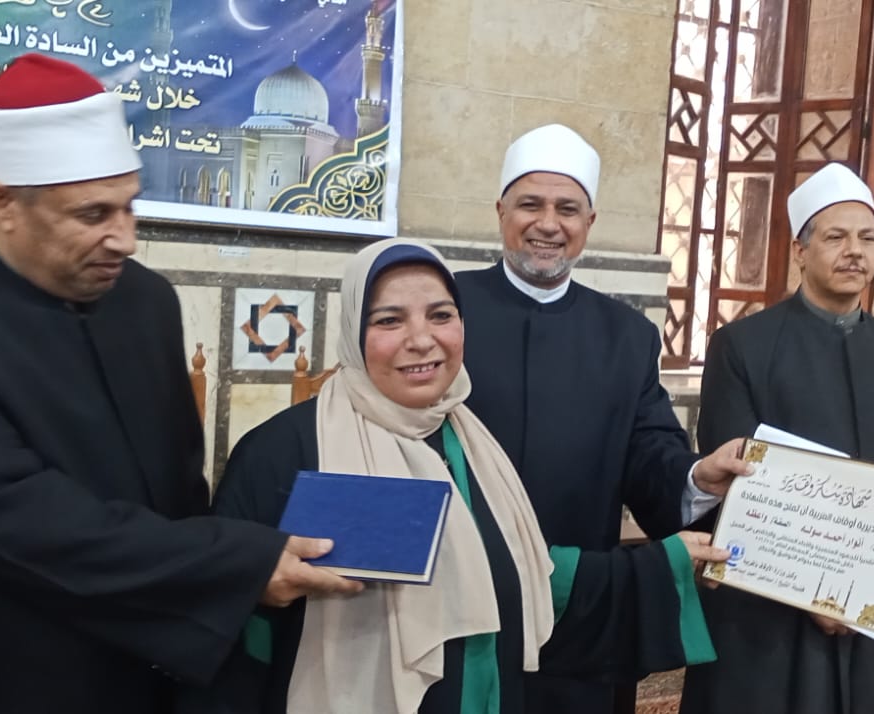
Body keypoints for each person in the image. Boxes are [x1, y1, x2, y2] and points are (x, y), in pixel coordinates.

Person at [0, 54, 359, 714]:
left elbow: (177, 489)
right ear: (4, 202)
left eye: (129, 207)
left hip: (136, 659)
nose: (125, 239)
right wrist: (238, 562)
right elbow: (17, 521)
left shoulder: (145, 302)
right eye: (92, 215)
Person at [204, 238, 725, 713]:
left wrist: (662, 565)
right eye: (388, 320)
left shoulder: (473, 443)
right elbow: (225, 619)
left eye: (441, 315)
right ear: (353, 331)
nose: (421, 340)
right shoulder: (283, 454)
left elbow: (527, 577)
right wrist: (258, 586)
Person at [453, 124, 749, 711]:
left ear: (589, 222)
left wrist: (697, 477)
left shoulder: (626, 336)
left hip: (583, 606)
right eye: (530, 204)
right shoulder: (445, 311)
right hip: (459, 593)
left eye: (567, 209)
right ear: (500, 211)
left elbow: (649, 454)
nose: (548, 224)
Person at [679, 163, 874, 714]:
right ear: (800, 251)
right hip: (765, 614)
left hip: (870, 615)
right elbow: (739, 485)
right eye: (836, 237)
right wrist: (818, 590)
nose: (855, 252)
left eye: (867, 239)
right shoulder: (742, 346)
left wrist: (871, 589)